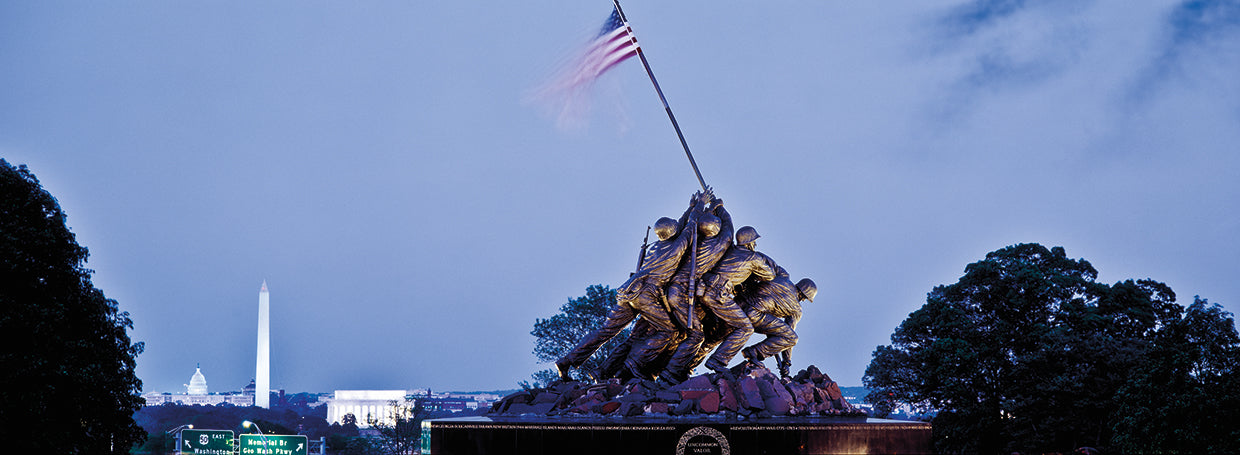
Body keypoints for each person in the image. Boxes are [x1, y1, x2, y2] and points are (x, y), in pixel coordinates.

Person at [555, 193, 705, 381]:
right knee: (670, 331)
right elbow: (689, 229)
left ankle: (567, 361)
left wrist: (690, 207)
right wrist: (700, 205)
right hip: (646, 295)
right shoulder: (675, 249)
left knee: (605, 331)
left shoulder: (656, 247)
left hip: (629, 291)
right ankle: (634, 365)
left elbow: (680, 228)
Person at [739, 268, 817, 378]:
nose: (803, 300)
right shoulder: (796, 308)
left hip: (740, 304)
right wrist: (786, 362)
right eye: (805, 298)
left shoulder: (782, 278)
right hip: (755, 314)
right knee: (792, 338)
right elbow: (789, 333)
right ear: (803, 295)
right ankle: (753, 352)